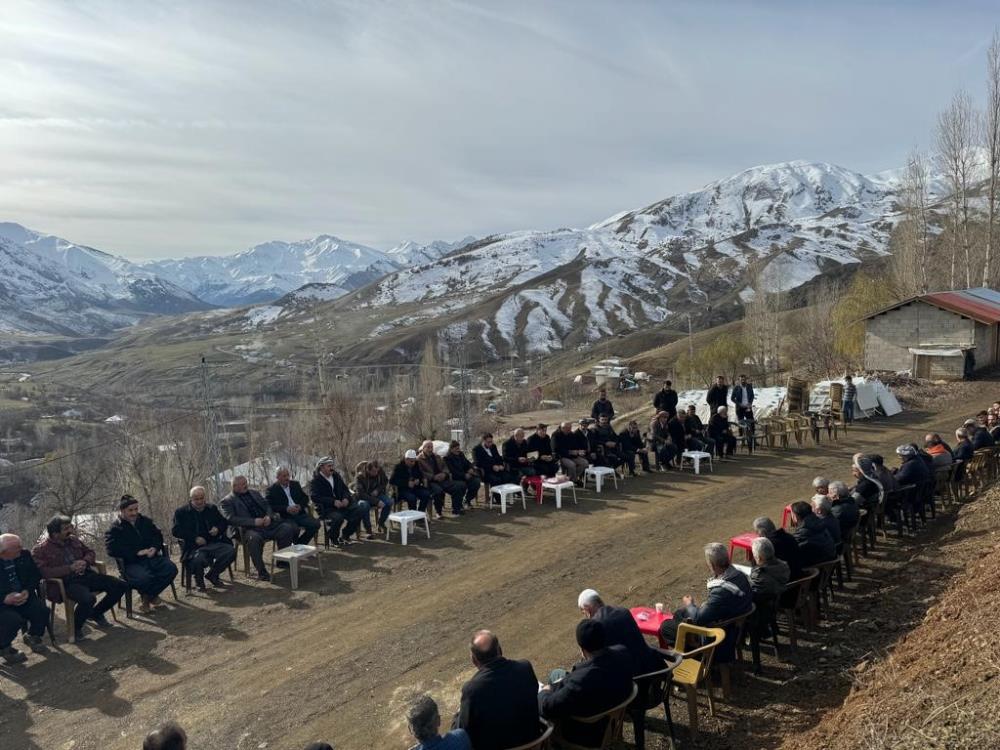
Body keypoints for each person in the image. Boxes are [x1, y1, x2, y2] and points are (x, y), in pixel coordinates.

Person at [538, 620, 634, 748]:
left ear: (582, 649)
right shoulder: (622, 652)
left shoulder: (581, 681)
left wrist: (544, 691)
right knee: (557, 673)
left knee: (543, 700)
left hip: (588, 733)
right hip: (611, 711)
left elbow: (547, 707)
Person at [33, 515, 127, 637]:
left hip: (86, 575)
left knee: (120, 585)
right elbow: (44, 572)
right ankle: (76, 627)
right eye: (66, 529)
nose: (70, 530)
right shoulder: (41, 550)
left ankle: (95, 613)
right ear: (55, 534)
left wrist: (85, 561)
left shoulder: (74, 540)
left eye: (70, 527)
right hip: (66, 583)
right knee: (88, 599)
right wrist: (69, 568)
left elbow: (90, 552)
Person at [658, 543, 753, 663]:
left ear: (712, 566)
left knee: (666, 627)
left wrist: (690, 604)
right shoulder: (739, 575)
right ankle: (691, 638)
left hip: (720, 635)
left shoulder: (721, 591)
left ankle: (701, 655)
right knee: (679, 613)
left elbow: (698, 618)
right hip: (733, 623)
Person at [454, 630, 540, 750]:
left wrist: (458, 715)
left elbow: (463, 731)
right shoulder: (525, 667)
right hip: (533, 744)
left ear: (474, 660)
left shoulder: (472, 690)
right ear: (500, 650)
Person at [105, 496, 178, 610]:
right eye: (130, 510)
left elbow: (157, 536)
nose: (134, 513)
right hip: (131, 563)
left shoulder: (145, 521)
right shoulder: (115, 528)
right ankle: (150, 597)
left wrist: (154, 547)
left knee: (171, 568)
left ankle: (148, 596)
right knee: (144, 578)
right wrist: (136, 553)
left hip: (151, 558)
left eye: (136, 509)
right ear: (122, 510)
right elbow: (111, 549)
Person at [221, 476, 297, 580]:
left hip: (266, 525)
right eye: (243, 484)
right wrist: (253, 522)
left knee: (287, 528)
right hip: (247, 529)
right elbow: (230, 519)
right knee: (254, 538)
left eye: (246, 482)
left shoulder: (254, 493)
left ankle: (282, 561)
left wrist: (269, 517)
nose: (246, 485)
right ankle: (262, 572)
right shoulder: (227, 501)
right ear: (234, 486)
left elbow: (267, 506)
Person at [577, 588, 662, 675]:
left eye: (584, 613)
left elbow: (597, 660)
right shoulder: (623, 611)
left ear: (587, 609)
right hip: (653, 667)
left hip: (633, 678)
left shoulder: (596, 628)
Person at [171, 487, 236, 591]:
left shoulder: (211, 508)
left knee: (230, 551)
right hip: (194, 547)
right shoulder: (181, 512)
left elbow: (223, 522)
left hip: (213, 542)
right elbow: (176, 531)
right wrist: (194, 538)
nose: (200, 501)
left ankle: (213, 574)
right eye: (196, 499)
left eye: (202, 498)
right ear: (191, 499)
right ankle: (199, 582)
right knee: (198, 559)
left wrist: (217, 529)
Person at [0, 534, 48, 664]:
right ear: (4, 552)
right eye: (17, 548)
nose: (21, 549)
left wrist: (27, 590)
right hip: (3, 604)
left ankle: (32, 635)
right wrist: (4, 598)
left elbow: (35, 575)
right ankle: (4, 647)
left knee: (42, 610)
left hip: (23, 596)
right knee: (12, 620)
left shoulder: (24, 554)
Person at [309, 457, 371, 543]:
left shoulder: (336, 476)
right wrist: (333, 502)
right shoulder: (315, 480)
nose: (331, 468)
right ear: (322, 467)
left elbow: (345, 489)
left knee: (360, 510)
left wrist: (345, 498)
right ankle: (334, 538)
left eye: (332, 466)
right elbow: (314, 496)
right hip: (327, 508)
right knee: (338, 517)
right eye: (329, 466)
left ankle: (345, 535)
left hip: (343, 505)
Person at [265, 467, 321, 546]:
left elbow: (305, 498)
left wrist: (300, 506)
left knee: (316, 524)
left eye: (288, 475)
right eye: (284, 476)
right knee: (294, 529)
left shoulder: (295, 484)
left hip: (299, 514)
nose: (287, 478)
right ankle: (292, 549)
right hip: (285, 517)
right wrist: (286, 509)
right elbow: (269, 506)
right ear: (278, 477)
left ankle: (299, 544)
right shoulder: (272, 490)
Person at [419, 440, 466, 517]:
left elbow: (445, 467)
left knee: (459, 485)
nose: (430, 449)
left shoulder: (436, 456)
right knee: (438, 491)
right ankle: (438, 512)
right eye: (428, 447)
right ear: (423, 448)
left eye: (431, 447)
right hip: (430, 482)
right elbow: (421, 472)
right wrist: (433, 477)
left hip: (442, 479)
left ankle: (456, 510)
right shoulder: (419, 459)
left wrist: (444, 474)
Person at [752, 516, 805, 580]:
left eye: (757, 532)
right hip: (799, 577)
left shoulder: (767, 546)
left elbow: (758, 568)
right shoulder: (789, 537)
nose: (757, 535)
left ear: (762, 532)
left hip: (785, 583)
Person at [788, 501, 836, 566]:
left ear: (796, 517)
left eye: (792, 514)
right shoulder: (820, 522)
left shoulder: (803, 532)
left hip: (817, 567)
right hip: (829, 560)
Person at [354, 460, 394, 534]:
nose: (376, 473)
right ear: (367, 470)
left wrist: (377, 490)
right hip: (365, 498)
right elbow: (360, 494)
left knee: (389, 502)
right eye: (373, 471)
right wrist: (376, 501)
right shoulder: (360, 477)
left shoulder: (379, 471)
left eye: (377, 471)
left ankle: (381, 523)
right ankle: (368, 529)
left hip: (377, 495)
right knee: (364, 505)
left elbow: (384, 482)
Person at [747, 537, 790, 601]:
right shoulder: (784, 566)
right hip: (782, 599)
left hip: (766, 607)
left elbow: (751, 594)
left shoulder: (759, 577)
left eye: (754, 555)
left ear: (759, 558)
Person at [443, 442, 482, 509]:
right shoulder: (447, 458)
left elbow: (467, 463)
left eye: (459, 448)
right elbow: (452, 471)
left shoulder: (461, 454)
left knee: (476, 482)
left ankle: (467, 500)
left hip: (466, 476)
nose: (458, 450)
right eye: (456, 449)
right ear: (451, 449)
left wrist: (470, 468)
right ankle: (458, 505)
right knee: (461, 485)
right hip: (455, 478)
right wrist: (464, 475)